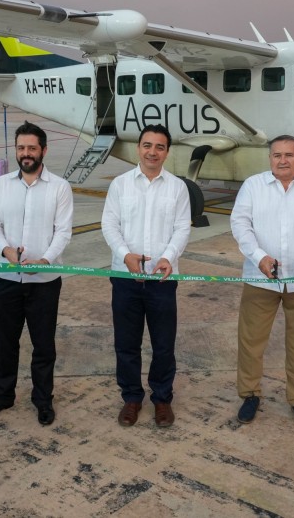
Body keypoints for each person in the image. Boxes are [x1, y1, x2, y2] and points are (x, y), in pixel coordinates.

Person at [229, 135, 294, 428]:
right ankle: (249, 395)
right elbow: (240, 224)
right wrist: (259, 256)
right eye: (277, 155)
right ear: (270, 158)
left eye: (289, 155)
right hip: (259, 279)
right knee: (251, 342)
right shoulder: (253, 186)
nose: (282, 160)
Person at [0, 122, 73, 426]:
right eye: (21, 148)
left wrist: (46, 260)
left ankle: (43, 400)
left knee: (44, 346)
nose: (26, 153)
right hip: (5, 281)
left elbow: (64, 232)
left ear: (44, 150)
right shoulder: (3, 185)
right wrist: (6, 250)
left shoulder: (60, 187)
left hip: (44, 282)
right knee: (5, 344)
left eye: (32, 148)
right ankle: (2, 396)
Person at [101, 124, 191, 428]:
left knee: (164, 343)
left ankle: (162, 398)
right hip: (125, 278)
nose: (152, 152)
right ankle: (131, 397)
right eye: (147, 145)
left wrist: (168, 258)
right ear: (138, 148)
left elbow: (182, 228)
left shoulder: (177, 187)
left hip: (162, 280)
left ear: (167, 152)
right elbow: (109, 224)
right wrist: (125, 255)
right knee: (126, 343)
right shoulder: (120, 185)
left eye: (160, 147)